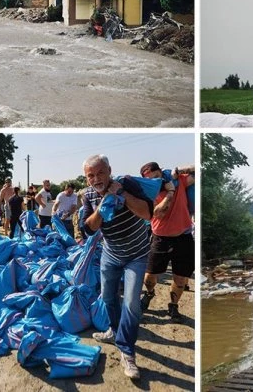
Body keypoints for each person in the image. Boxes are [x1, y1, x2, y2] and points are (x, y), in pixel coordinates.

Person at [80, 154, 153, 380]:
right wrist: (102, 206)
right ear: (86, 178)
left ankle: (127, 352)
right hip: (111, 254)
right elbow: (88, 230)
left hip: (137, 255)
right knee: (108, 298)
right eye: (91, 175)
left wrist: (120, 194)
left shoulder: (127, 183)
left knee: (131, 304)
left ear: (109, 170)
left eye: (100, 172)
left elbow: (147, 213)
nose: (96, 178)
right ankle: (113, 330)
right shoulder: (88, 195)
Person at [139, 161, 195, 322]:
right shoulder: (148, 193)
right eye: (150, 180)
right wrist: (170, 192)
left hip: (183, 237)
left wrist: (177, 171)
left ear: (161, 173)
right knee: (149, 277)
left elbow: (198, 171)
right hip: (160, 238)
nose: (155, 182)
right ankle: (149, 293)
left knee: (180, 278)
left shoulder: (179, 181)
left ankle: (173, 305)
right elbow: (158, 213)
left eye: (157, 177)